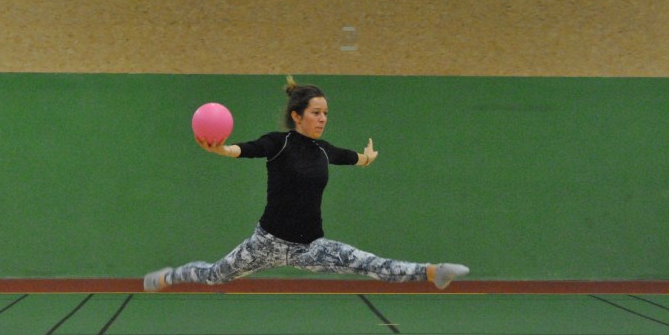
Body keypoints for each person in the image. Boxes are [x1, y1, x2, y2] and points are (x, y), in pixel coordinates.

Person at [144, 77, 468, 291]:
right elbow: (247, 149)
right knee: (214, 275)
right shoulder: (279, 142)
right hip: (265, 244)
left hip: (310, 248)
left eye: (325, 113)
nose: (323, 118)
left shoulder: (324, 151)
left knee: (367, 263)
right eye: (316, 112)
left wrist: (367, 158)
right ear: (297, 116)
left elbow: (351, 157)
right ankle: (169, 276)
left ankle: (433, 271)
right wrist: (222, 149)